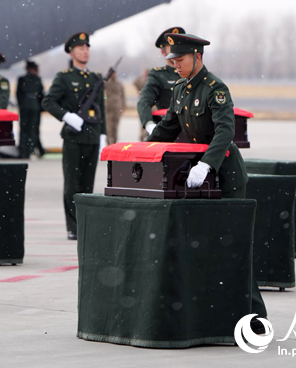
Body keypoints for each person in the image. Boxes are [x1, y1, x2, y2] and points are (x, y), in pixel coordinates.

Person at [147, 31, 267, 331]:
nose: (175, 65)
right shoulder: (180, 89)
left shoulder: (216, 89)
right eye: (172, 60)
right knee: (208, 246)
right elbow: (166, 128)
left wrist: (207, 164)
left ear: (197, 57)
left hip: (225, 174)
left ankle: (254, 317)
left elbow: (225, 132)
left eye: (180, 59)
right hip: (200, 178)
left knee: (233, 246)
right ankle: (216, 314)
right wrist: (142, 152)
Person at [42, 31, 107, 240]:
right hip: (73, 137)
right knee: (72, 183)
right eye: (81, 48)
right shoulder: (64, 77)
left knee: (88, 184)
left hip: (93, 137)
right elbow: (48, 102)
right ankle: (73, 226)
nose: (85, 51)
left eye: (87, 48)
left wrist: (104, 135)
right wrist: (67, 116)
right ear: (71, 52)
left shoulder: (96, 78)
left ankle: (86, 223)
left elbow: (102, 109)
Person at [137, 26, 184, 136]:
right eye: (171, 46)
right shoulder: (158, 75)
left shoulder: (193, 73)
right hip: (169, 134)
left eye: (179, 45)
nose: (176, 49)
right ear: (163, 52)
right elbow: (144, 102)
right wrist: (150, 125)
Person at [17, 59, 45, 158]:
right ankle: (31, 149)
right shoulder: (37, 80)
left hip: (25, 107)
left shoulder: (22, 79)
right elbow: (42, 95)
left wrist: (22, 105)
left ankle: (23, 151)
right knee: (33, 129)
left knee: (24, 130)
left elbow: (19, 95)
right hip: (35, 107)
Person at [104, 69, 125, 144]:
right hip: (108, 108)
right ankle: (109, 143)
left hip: (117, 108)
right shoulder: (107, 83)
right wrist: (107, 77)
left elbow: (123, 95)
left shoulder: (119, 84)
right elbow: (101, 85)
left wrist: (123, 106)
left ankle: (114, 143)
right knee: (108, 127)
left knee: (115, 128)